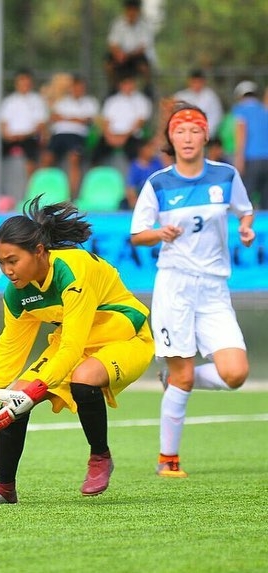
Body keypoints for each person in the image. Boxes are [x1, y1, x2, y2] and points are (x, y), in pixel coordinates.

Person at [0, 196, 155, 504]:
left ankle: (100, 455)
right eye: (1, 263)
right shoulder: (17, 294)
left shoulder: (72, 272)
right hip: (73, 341)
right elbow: (10, 351)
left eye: (13, 260)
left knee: (83, 377)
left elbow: (73, 347)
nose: (7, 270)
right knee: (13, 395)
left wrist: (35, 392)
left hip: (124, 337)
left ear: (39, 252)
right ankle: (4, 488)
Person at [130, 103, 255, 478]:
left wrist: (246, 228)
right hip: (175, 286)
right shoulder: (158, 183)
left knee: (235, 374)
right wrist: (159, 233)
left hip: (215, 288)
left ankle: (173, 379)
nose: (187, 138)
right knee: (185, 375)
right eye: (180, 131)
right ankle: (168, 459)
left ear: (205, 136)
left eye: (195, 130)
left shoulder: (227, 175)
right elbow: (138, 235)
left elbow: (244, 210)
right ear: (170, 137)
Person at [42, 74, 99, 197]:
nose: (78, 90)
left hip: (77, 135)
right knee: (47, 158)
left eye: (81, 87)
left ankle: (71, 195)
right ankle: (44, 191)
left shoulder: (90, 102)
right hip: (59, 135)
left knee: (74, 158)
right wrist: (75, 118)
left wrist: (66, 118)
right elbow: (54, 117)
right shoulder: (62, 102)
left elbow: (87, 120)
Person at [93, 72, 152, 166]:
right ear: (120, 85)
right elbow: (105, 122)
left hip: (131, 136)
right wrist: (109, 136)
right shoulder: (111, 101)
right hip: (111, 135)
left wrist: (124, 137)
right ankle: (94, 178)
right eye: (125, 83)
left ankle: (133, 179)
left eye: (130, 83)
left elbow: (140, 123)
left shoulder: (142, 101)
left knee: (137, 155)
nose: (128, 86)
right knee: (95, 154)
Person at [0, 68, 49, 182]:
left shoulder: (37, 100)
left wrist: (24, 135)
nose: (24, 84)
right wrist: (8, 135)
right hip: (11, 138)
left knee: (31, 158)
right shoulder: (9, 101)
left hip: (29, 137)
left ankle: (30, 194)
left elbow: (40, 125)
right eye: (21, 81)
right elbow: (3, 124)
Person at [104, 0, 156, 96]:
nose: (131, 13)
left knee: (144, 66)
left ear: (138, 11)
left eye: (134, 11)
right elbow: (112, 43)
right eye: (129, 10)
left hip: (135, 56)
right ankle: (113, 87)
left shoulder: (144, 25)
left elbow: (143, 47)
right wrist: (118, 53)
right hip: (120, 55)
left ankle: (147, 87)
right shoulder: (118, 24)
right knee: (108, 65)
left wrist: (128, 55)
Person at [231, 80, 268, 209]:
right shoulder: (264, 110)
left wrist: (238, 158)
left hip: (251, 159)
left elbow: (241, 132)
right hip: (266, 159)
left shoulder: (240, 109)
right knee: (265, 200)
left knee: (246, 198)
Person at [173, 69, 224, 144]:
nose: (197, 85)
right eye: (194, 82)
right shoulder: (181, 96)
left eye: (199, 82)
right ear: (189, 82)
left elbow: (216, 117)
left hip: (206, 137)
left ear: (204, 82)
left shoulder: (210, 97)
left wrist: (204, 133)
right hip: (185, 138)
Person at [123, 137, 164, 209]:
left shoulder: (157, 163)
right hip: (140, 195)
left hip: (155, 195)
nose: (152, 151)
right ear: (142, 150)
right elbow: (130, 188)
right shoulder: (134, 167)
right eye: (149, 148)